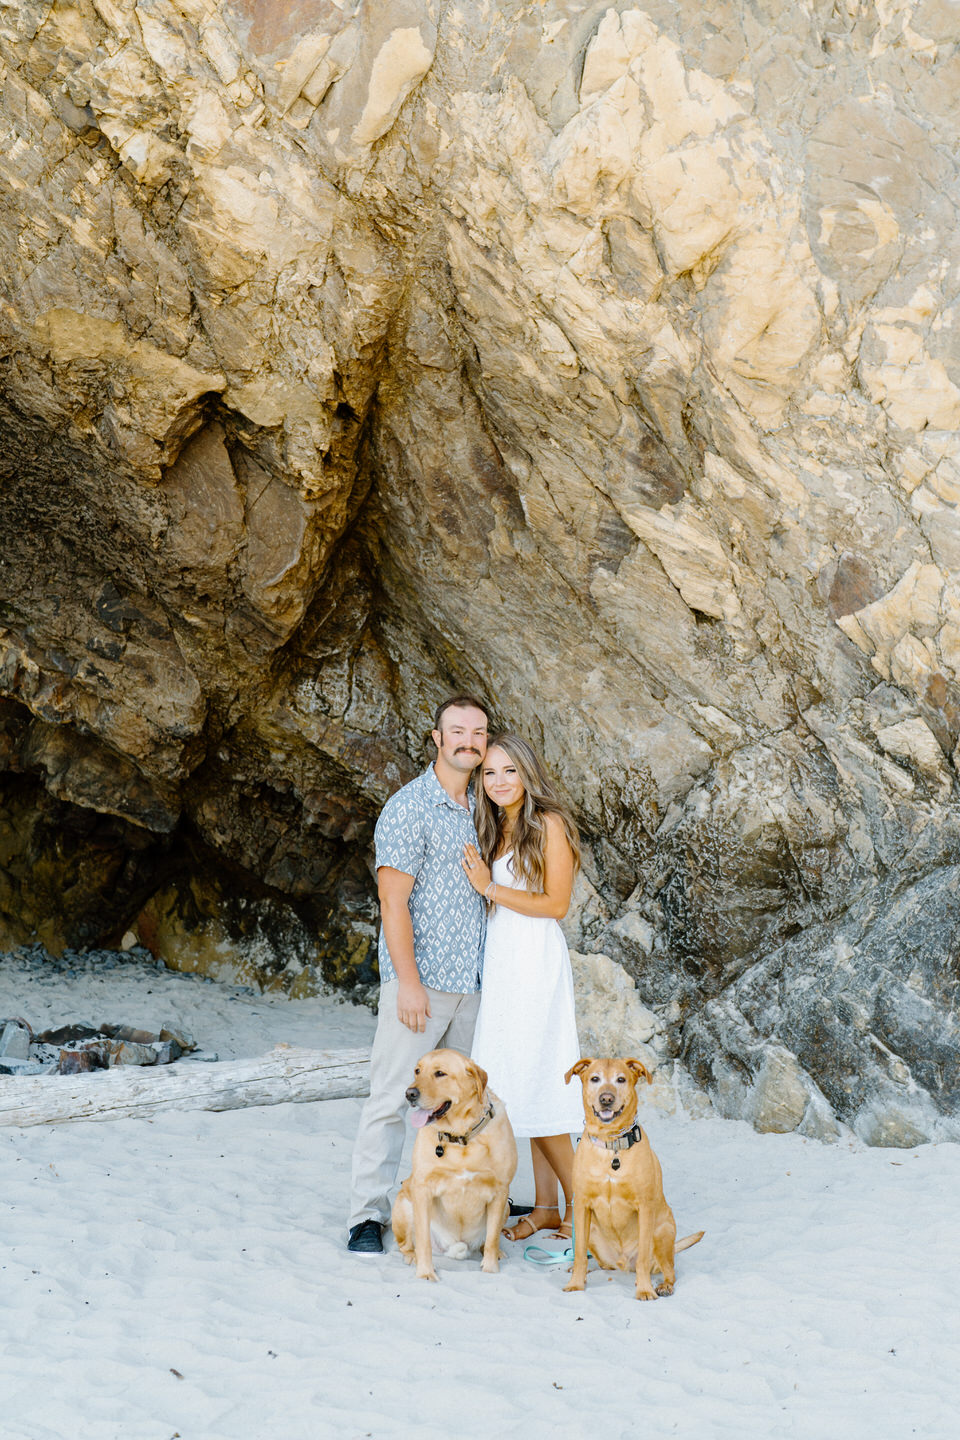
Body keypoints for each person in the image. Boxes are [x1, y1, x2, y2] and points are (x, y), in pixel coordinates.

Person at [347, 694, 491, 1253]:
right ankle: (367, 1215)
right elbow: (392, 904)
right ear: (436, 738)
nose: (468, 741)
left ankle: (454, 1209)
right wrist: (406, 981)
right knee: (392, 1097)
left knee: (464, 1105)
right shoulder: (409, 807)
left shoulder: (485, 807)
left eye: (478, 733)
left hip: (474, 986)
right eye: (457, 731)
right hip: (422, 986)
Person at [462, 732, 583, 1242]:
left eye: (509, 770)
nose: (499, 782)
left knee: (536, 1079)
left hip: (535, 962)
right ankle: (547, 1206)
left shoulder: (549, 824)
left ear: (528, 771)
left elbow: (556, 905)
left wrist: (489, 886)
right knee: (520, 1087)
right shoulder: (497, 827)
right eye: (488, 773)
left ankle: (584, 1206)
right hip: (504, 962)